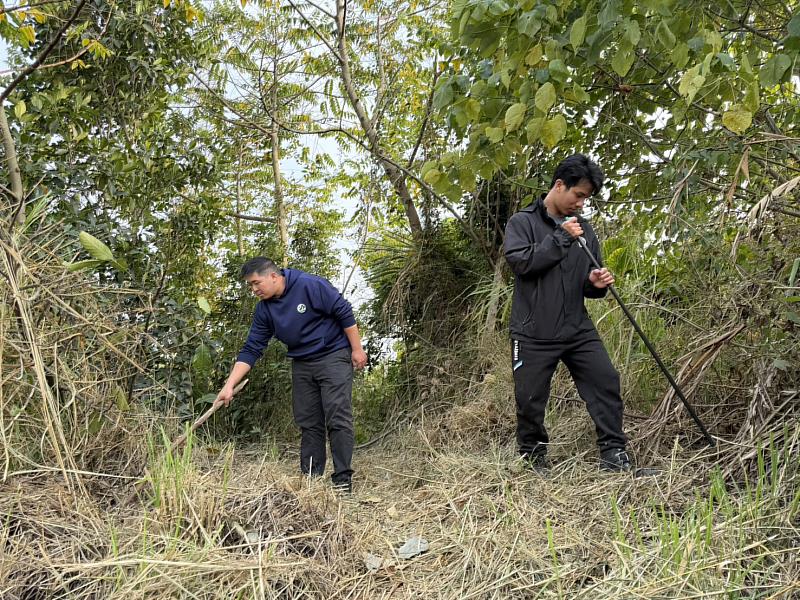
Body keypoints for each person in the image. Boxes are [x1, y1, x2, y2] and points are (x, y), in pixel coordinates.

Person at [503, 154, 631, 472]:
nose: (581, 204)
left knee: (606, 381)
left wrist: (597, 282)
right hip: (533, 331)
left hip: (576, 328)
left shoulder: (585, 230)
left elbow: (589, 281)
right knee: (530, 399)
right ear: (560, 185)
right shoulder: (523, 222)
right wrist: (561, 237)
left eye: (586, 198)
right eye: (579, 195)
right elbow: (521, 262)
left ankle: (614, 455)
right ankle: (533, 459)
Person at [215, 257, 368, 493]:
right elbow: (252, 349)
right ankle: (311, 480)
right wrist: (229, 385)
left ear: (274, 276)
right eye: (250, 286)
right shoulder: (264, 309)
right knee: (309, 422)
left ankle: (342, 480)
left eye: (256, 283)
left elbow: (343, 311)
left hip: (333, 355)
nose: (254, 289)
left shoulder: (309, 285)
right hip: (302, 362)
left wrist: (357, 349)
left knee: (338, 418)